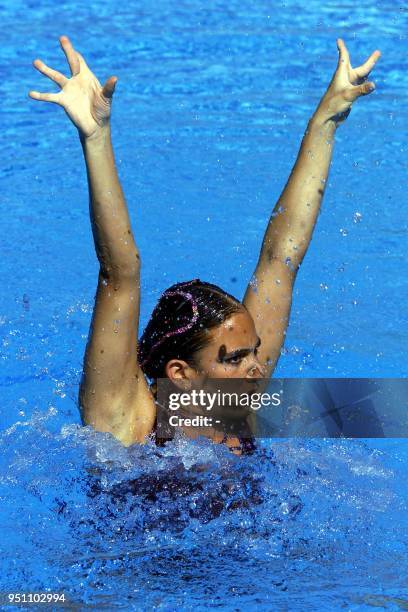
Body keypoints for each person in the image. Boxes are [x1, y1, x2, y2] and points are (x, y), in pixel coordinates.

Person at [29, 35, 381, 454]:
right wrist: (96, 138)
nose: (258, 369)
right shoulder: (127, 422)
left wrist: (327, 118)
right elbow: (120, 274)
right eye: (234, 359)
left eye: (254, 352)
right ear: (181, 373)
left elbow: (280, 258)